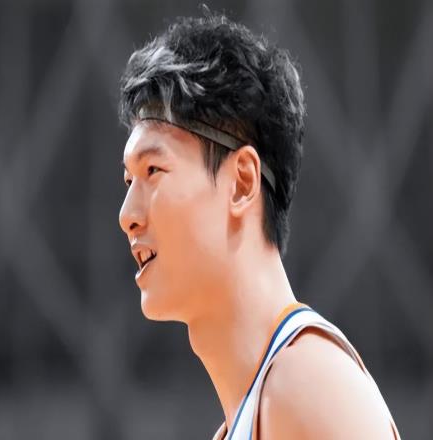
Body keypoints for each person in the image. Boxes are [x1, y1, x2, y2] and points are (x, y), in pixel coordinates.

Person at [117, 10, 400, 440]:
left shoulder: (307, 386)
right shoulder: (266, 402)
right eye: (128, 180)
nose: (127, 215)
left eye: (153, 170)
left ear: (242, 182)